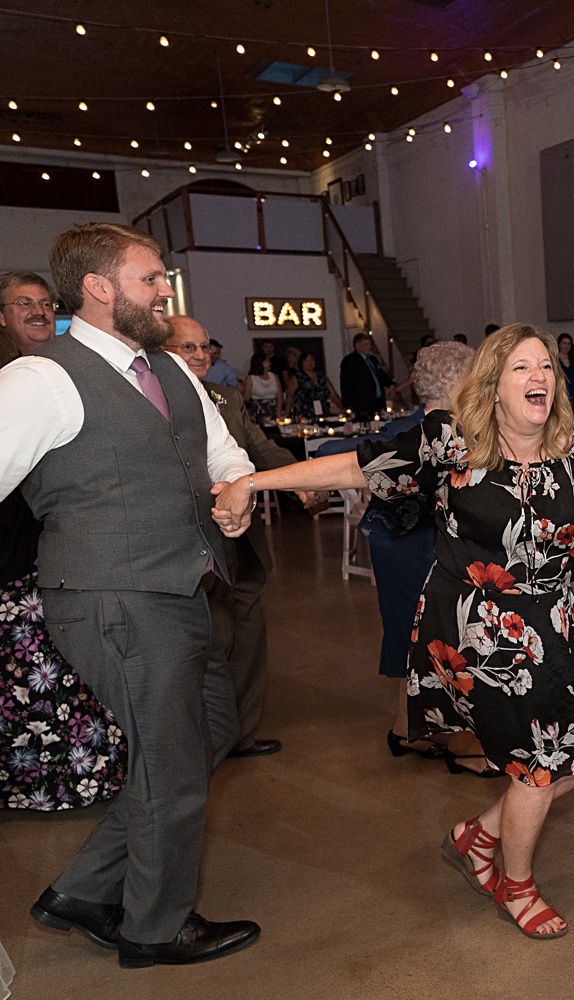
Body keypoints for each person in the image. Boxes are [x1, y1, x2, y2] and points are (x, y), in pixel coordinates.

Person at [214, 324, 574, 938]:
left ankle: (477, 836)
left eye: (545, 368)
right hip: (478, 625)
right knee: (538, 763)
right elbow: (355, 467)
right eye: (521, 368)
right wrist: (252, 481)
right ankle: (516, 884)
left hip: (555, 623)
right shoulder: (454, 440)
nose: (539, 377)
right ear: (493, 386)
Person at [1, 222, 260, 966]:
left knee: (208, 729)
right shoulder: (41, 378)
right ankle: (154, 926)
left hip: (181, 586)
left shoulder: (169, 370)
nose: (163, 293)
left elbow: (223, 456)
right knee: (172, 762)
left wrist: (235, 495)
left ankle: (83, 888)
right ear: (99, 287)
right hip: (112, 593)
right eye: (150, 279)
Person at [0, 282, 127, 813]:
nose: (37, 311)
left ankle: (82, 777)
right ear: (1, 317)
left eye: (44, 304)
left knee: (69, 675)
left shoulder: (73, 367)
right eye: (22, 304)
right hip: (10, 551)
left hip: (66, 550)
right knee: (24, 680)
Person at [318, 342, 472, 763]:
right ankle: (433, 733)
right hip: (409, 544)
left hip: (412, 542)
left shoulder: (435, 427)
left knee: (417, 634)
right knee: (421, 634)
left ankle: (408, 729)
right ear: (459, 384)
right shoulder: (414, 431)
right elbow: (335, 452)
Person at [165, 315, 301, 758]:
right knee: (213, 642)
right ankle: (205, 741)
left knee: (248, 636)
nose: (201, 355)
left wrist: (300, 480)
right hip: (196, 545)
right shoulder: (154, 399)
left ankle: (241, 733)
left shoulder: (224, 397)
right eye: (189, 348)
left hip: (243, 540)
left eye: (205, 347)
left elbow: (257, 448)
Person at [339, 333, 394, 419]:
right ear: (357, 346)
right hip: (362, 404)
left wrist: (390, 383)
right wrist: (348, 405)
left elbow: (381, 375)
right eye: (365, 344)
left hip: (377, 402)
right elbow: (346, 384)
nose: (369, 347)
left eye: (369, 344)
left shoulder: (372, 359)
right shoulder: (350, 361)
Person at [0, 271, 58, 352]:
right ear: (2, 316)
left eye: (46, 304)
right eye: (25, 304)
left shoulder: (75, 357)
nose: (39, 312)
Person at [288, 351, 342, 420]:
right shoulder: (296, 378)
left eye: (311, 360)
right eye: (306, 361)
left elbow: (333, 394)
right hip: (304, 414)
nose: (309, 363)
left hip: (323, 412)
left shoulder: (322, 376)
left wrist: (341, 407)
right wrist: (287, 413)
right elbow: (289, 396)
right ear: (301, 363)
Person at [242, 353, 284, 426]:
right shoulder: (250, 378)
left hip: (273, 411)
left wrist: (278, 413)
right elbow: (246, 397)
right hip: (258, 413)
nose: (270, 363)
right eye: (267, 361)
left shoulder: (274, 376)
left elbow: (280, 396)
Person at [556, 333, 574, 411]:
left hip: (573, 393)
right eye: (564, 343)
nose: (566, 346)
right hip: (561, 394)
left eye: (569, 344)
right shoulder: (555, 360)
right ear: (559, 344)